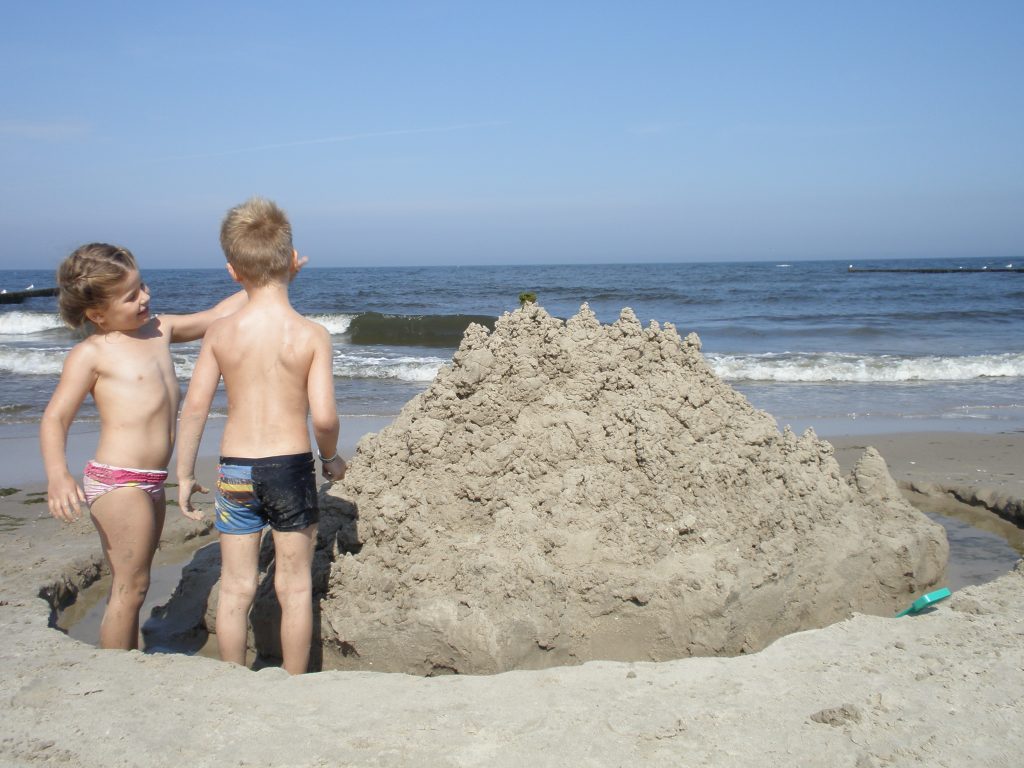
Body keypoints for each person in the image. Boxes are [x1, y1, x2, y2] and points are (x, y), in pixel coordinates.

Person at [40, 243, 248, 650]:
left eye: (143, 286)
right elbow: (55, 417)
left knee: (137, 582)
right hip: (118, 481)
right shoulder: (91, 354)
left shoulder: (159, 329)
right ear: (96, 313)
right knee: (130, 587)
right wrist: (57, 475)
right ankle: (117, 671)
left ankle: (126, 656)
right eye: (131, 296)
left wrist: (264, 280)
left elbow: (215, 317)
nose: (145, 298)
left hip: (151, 481)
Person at [177, 197, 346, 675]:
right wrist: (330, 458)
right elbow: (325, 417)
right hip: (289, 468)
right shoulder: (311, 334)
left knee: (235, 586)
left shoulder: (220, 333)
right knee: (294, 587)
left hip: (234, 470)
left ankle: (232, 678)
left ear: (232, 272)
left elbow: (194, 408)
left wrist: (185, 473)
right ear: (294, 262)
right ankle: (293, 685)